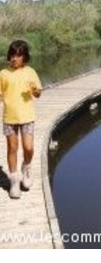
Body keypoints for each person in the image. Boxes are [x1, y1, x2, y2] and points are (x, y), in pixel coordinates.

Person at [0, 40, 42, 199]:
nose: (14, 58)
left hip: (27, 117)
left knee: (28, 147)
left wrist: (35, 90)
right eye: (12, 55)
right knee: (12, 148)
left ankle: (27, 169)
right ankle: (14, 183)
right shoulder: (3, 74)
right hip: (9, 117)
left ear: (24, 56)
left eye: (18, 55)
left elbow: (38, 94)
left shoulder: (30, 72)